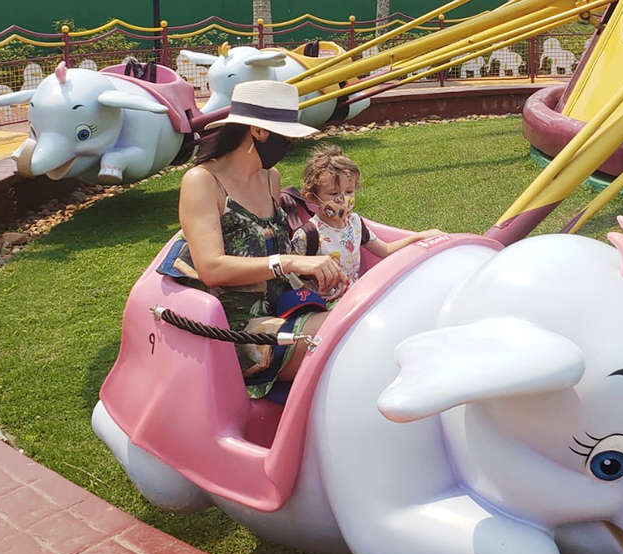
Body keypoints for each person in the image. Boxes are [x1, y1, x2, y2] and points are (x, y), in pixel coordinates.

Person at [167, 80, 347, 399]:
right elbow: (211, 268)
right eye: (286, 135)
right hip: (233, 329)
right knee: (342, 341)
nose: (290, 142)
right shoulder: (202, 182)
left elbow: (272, 253)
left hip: (282, 308)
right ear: (259, 132)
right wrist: (288, 262)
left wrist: (310, 276)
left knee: (356, 322)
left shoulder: (270, 178)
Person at [291, 144, 443, 302]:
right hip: (326, 306)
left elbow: (385, 250)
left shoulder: (354, 223)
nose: (343, 199)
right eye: (334, 193)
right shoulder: (309, 234)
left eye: (349, 192)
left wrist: (419, 237)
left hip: (355, 298)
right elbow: (288, 272)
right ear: (312, 197)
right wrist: (307, 290)